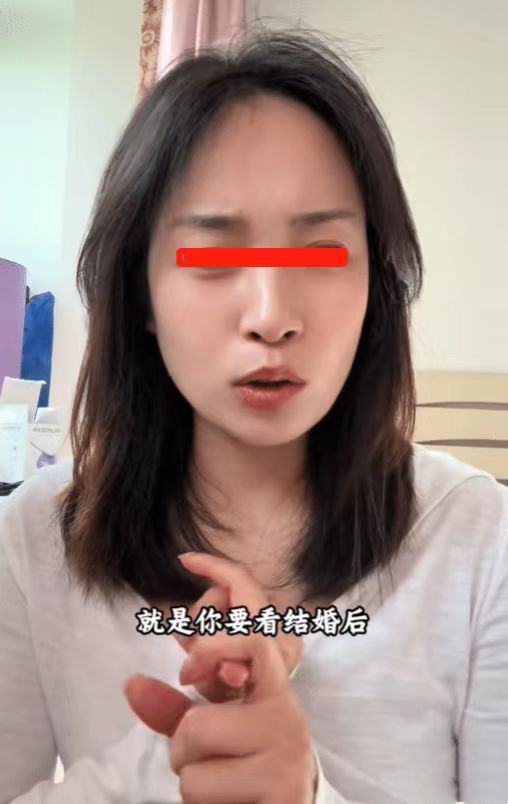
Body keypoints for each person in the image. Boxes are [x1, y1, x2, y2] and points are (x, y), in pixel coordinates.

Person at [0, 25, 506, 804]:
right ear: (141, 293)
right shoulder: (32, 542)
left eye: (322, 254)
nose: (271, 315)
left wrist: (303, 792)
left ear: (375, 288)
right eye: (213, 256)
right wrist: (169, 759)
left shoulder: (480, 542)